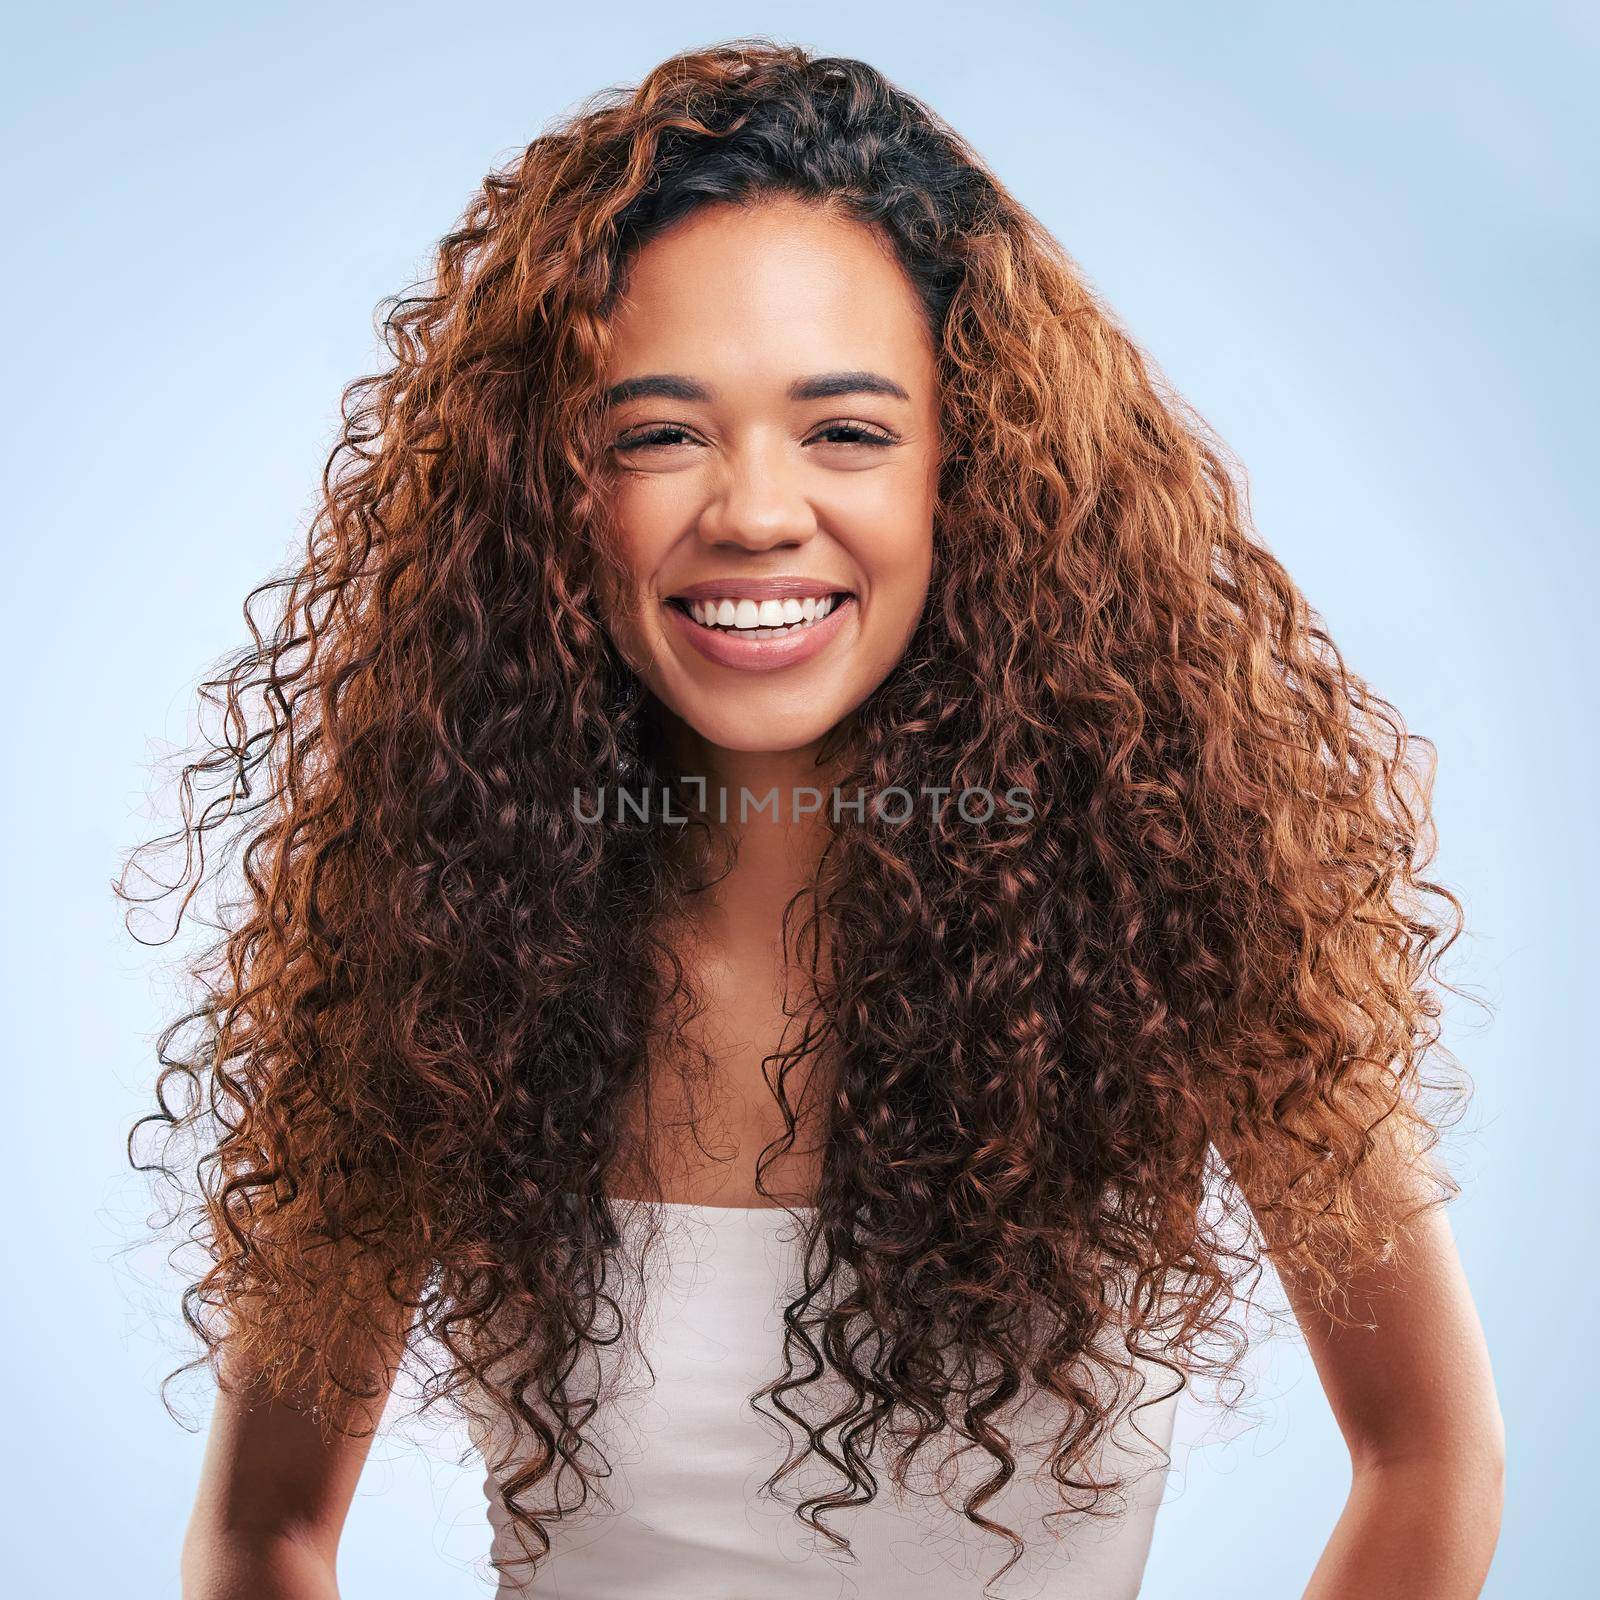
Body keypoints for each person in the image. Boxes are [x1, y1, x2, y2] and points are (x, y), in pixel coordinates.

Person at [130, 38, 1504, 1600]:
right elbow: (265, 1533)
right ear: (549, 486)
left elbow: (1431, 1459)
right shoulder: (439, 949)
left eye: (845, 430)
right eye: (658, 431)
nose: (756, 510)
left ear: (965, 471)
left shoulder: (1185, 917)